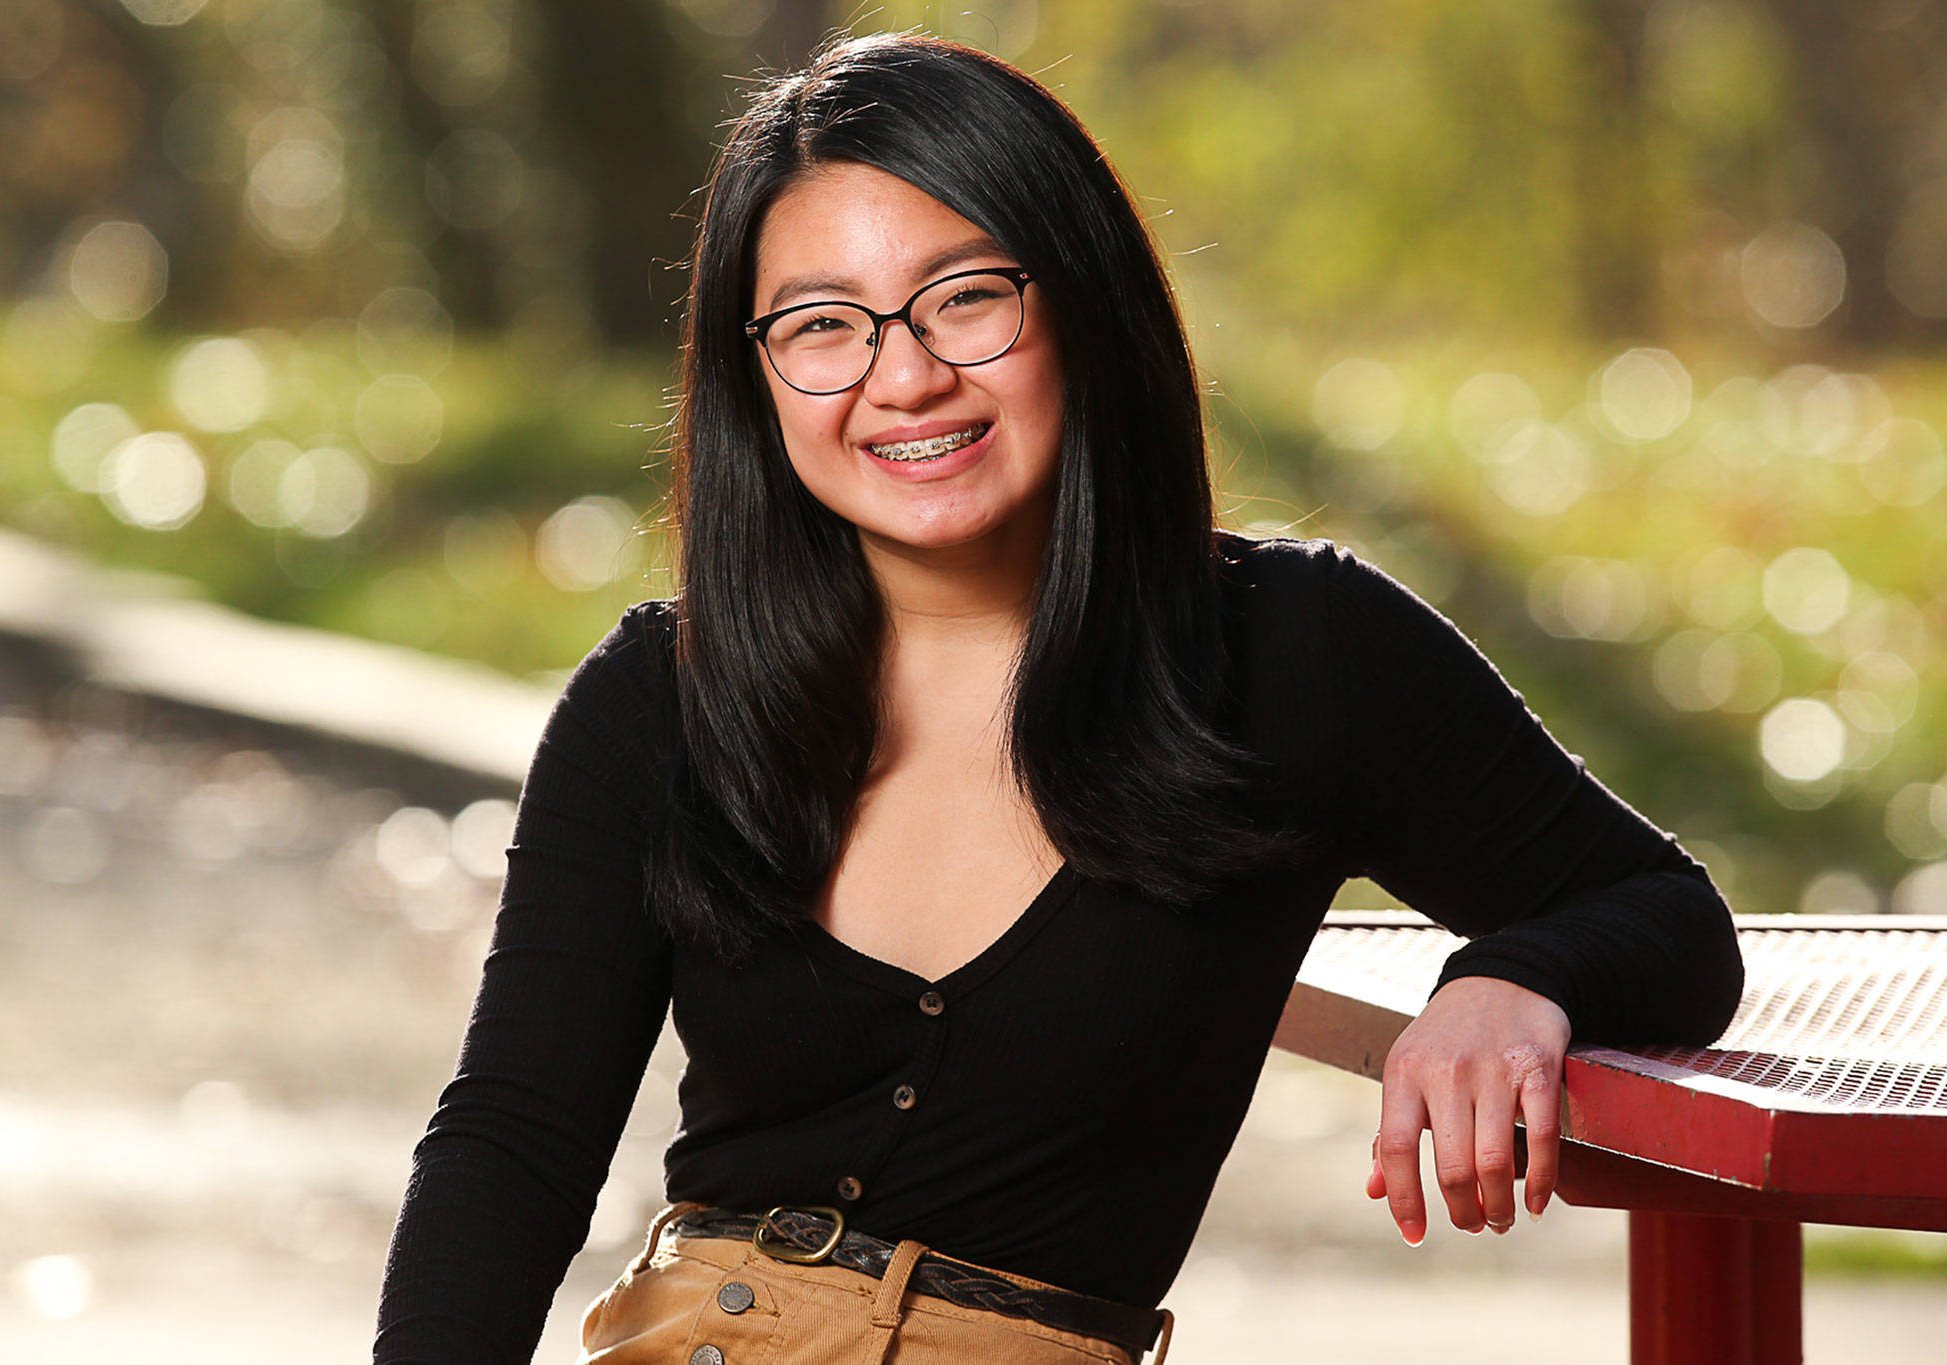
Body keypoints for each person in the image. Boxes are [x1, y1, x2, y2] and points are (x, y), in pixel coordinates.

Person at [373, 30, 1744, 1365]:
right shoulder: (657, 700)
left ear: (1081, 302)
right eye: (822, 326)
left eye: (966, 296)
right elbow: (515, 1135)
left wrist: (1514, 976)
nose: (902, 376)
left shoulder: (1296, 653)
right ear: (757, 374)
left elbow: (1667, 916)